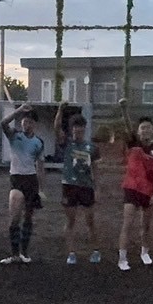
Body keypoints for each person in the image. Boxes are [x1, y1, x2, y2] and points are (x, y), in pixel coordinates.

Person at [116, 98, 153, 271]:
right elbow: (127, 125)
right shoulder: (134, 144)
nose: (145, 130)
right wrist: (124, 109)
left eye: (148, 127)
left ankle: (145, 252)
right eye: (142, 128)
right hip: (131, 189)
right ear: (138, 131)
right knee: (128, 223)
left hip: (148, 191)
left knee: (146, 225)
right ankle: (122, 258)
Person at [55, 104, 102, 265]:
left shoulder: (92, 148)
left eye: (80, 127)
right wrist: (60, 110)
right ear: (71, 129)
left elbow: (96, 169)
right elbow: (56, 129)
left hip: (86, 186)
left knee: (90, 220)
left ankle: (95, 250)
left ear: (84, 128)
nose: (78, 130)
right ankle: (71, 253)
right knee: (70, 220)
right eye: (75, 127)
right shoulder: (66, 143)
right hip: (69, 186)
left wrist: (97, 188)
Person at [0, 103, 46, 265]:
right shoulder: (14, 136)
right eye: (25, 121)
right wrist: (19, 110)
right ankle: (14, 254)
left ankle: (24, 252)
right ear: (21, 122)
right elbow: (3, 123)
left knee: (28, 217)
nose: (27, 124)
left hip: (31, 180)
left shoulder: (39, 142)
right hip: (16, 179)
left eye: (30, 122)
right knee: (14, 217)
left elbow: (40, 167)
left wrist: (41, 189)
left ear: (35, 124)